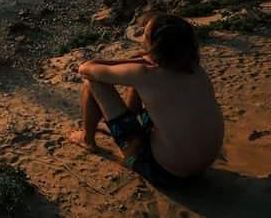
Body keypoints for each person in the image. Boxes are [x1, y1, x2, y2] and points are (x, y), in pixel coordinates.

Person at [67, 13, 224, 187]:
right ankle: (124, 127)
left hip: (166, 174)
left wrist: (136, 61)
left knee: (92, 82)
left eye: (145, 35)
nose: (142, 38)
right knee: (143, 91)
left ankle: (87, 139)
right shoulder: (196, 70)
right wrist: (143, 62)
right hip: (201, 169)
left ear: (155, 45)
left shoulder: (145, 73)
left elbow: (86, 68)